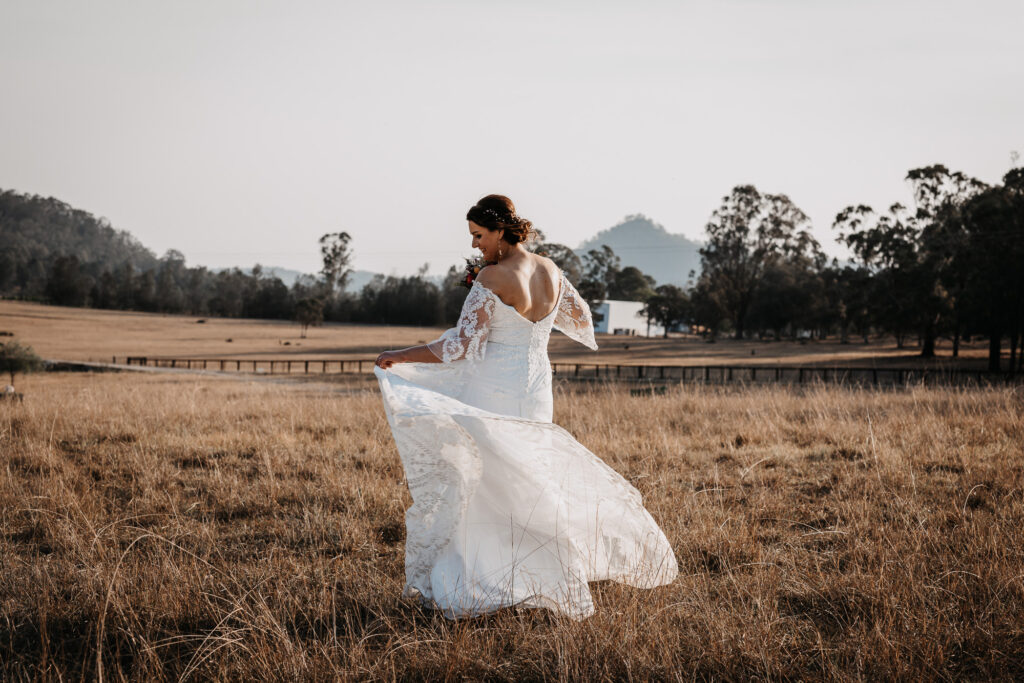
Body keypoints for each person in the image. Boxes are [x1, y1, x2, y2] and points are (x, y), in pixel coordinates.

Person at [374, 194, 678, 620]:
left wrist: (401, 354)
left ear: (500, 231)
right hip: (536, 385)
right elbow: (578, 315)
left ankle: (492, 580)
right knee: (529, 476)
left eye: (479, 236)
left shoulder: (492, 278)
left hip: (495, 388)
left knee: (488, 479)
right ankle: (543, 572)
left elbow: (460, 346)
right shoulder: (551, 270)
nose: (476, 245)